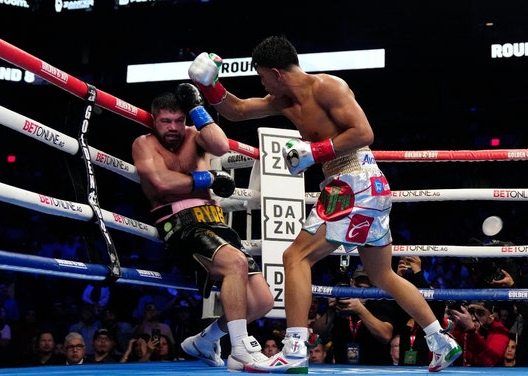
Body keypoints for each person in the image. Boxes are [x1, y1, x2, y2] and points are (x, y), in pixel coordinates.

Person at [187, 34, 462, 372]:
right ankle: (440, 339)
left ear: (276, 72)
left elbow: (364, 132)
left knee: (295, 256)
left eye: (262, 77)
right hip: (360, 186)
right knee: (381, 275)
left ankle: (295, 349)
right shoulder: (283, 100)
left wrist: (313, 152)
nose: (263, 85)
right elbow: (238, 110)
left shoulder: (329, 87)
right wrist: (210, 84)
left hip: (354, 180)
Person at [131, 84, 274, 371]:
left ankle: (206, 340)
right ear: (153, 119)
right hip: (181, 226)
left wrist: (197, 107)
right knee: (234, 262)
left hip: (215, 222)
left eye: (178, 120)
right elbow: (161, 182)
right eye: (165, 121)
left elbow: (221, 146)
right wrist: (206, 180)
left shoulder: (194, 136)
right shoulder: (144, 143)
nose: (173, 127)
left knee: (262, 302)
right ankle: (240, 351)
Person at [447, 301, 509, 367]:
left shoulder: (499, 331)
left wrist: (471, 331)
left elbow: (490, 363)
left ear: (491, 317)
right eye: (470, 312)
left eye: (480, 313)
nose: (473, 318)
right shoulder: (461, 327)